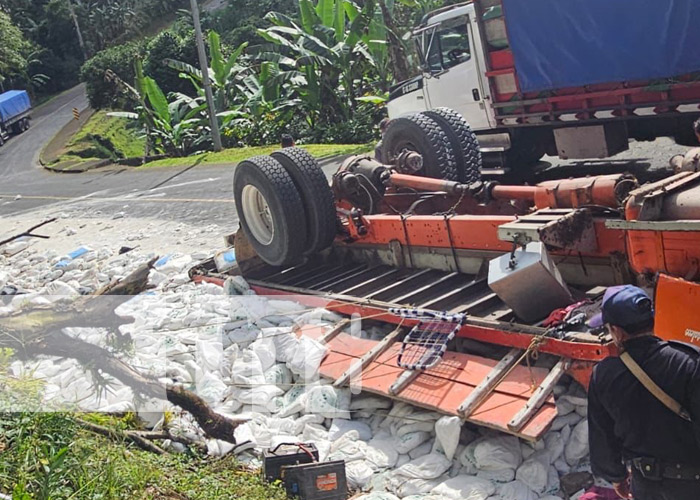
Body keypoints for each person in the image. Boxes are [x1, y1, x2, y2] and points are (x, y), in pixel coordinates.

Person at [587, 285, 700, 500]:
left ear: (617, 332)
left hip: (645, 483)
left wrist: (617, 477)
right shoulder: (689, 363)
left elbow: (602, 438)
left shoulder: (603, 374)